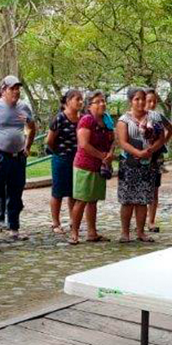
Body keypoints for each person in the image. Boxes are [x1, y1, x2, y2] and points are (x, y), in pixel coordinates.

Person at [116, 87, 165, 244]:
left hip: (147, 163)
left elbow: (161, 137)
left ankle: (141, 232)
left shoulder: (153, 117)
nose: (141, 102)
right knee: (128, 199)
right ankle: (125, 233)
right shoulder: (124, 120)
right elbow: (122, 142)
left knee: (143, 199)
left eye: (143, 99)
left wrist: (150, 150)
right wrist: (137, 152)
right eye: (137, 99)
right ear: (131, 101)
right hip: (129, 164)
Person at [0, 75, 36, 240]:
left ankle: (13, 227)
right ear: (3, 91)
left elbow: (32, 126)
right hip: (0, 155)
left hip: (18, 157)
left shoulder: (24, 107)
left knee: (16, 192)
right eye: (12, 88)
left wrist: (27, 146)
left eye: (18, 88)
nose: (16, 92)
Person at [70, 90, 116, 244]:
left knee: (93, 200)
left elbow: (112, 140)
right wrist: (103, 156)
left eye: (103, 101)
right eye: (98, 101)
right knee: (82, 199)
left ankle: (92, 232)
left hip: (100, 166)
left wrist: (110, 153)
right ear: (90, 105)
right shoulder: (87, 120)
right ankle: (74, 232)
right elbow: (84, 144)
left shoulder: (107, 120)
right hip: (85, 165)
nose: (102, 104)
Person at [47, 89, 83, 235]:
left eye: (81, 99)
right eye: (77, 99)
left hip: (78, 160)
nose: (80, 102)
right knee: (58, 192)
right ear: (68, 101)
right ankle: (56, 222)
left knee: (74, 192)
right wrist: (58, 152)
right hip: (61, 159)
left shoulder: (83, 118)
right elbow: (49, 140)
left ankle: (73, 220)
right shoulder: (60, 118)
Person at [144, 90, 172, 233]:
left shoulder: (158, 117)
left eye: (154, 101)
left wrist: (163, 143)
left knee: (154, 189)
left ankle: (151, 220)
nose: (152, 104)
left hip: (155, 157)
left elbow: (170, 128)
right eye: (149, 101)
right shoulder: (133, 117)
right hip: (139, 156)